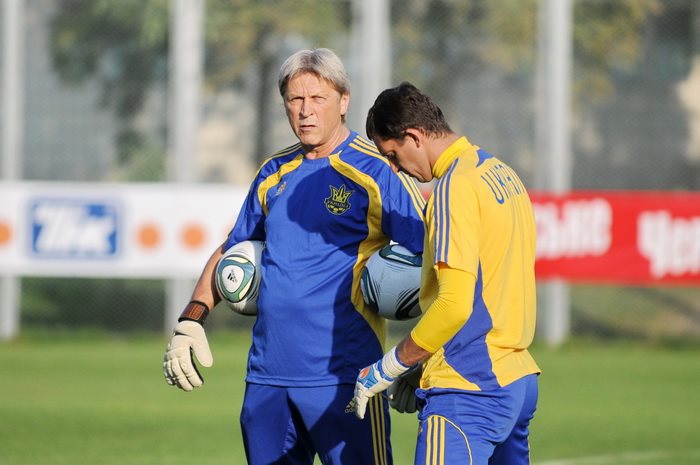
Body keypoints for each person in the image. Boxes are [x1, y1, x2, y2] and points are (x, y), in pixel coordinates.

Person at [162, 49, 425, 465]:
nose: (305, 111)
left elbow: (440, 262)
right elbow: (231, 248)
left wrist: (421, 354)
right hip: (267, 379)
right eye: (294, 99)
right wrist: (191, 319)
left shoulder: (379, 171)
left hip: (349, 378)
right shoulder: (273, 172)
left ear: (344, 101)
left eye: (317, 98)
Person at [352, 82, 541, 465]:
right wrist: (423, 360)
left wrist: (389, 366)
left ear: (413, 137)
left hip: (468, 390)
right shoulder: (498, 172)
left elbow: (454, 305)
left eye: (392, 155)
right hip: (516, 378)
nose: (394, 168)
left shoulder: (454, 188)